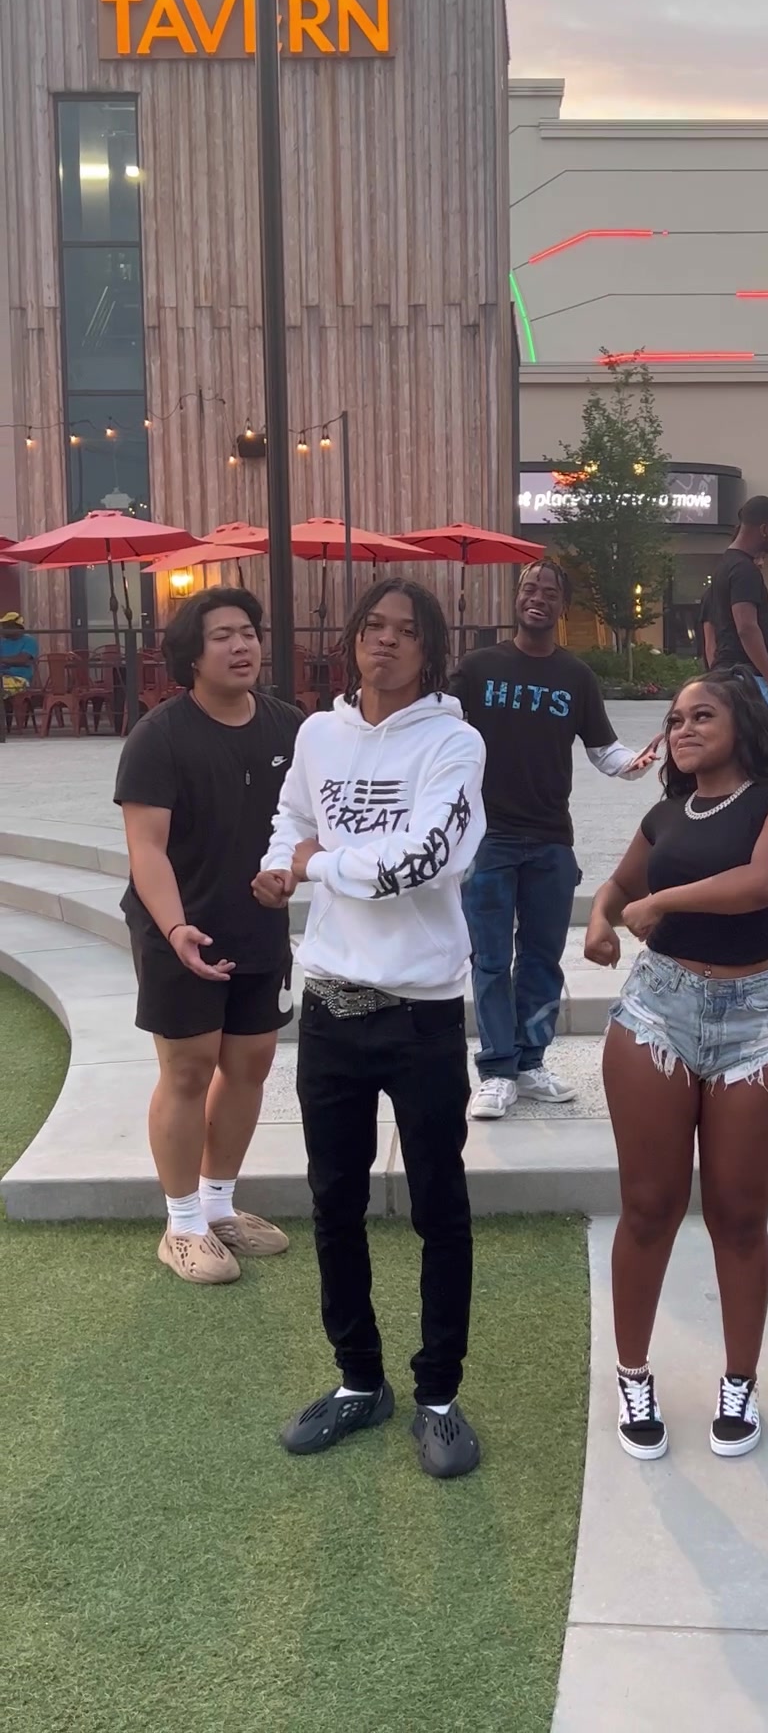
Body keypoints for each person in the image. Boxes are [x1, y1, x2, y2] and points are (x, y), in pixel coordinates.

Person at [260, 580, 487, 1478]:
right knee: (333, 1203)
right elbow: (292, 818)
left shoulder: (454, 743)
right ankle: (360, 1380)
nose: (385, 643)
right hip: (331, 1010)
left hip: (420, 1012)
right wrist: (281, 863)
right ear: (353, 638)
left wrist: (318, 863)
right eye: (372, 628)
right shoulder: (319, 734)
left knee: (439, 1206)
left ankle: (438, 1396)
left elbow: (426, 859)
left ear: (431, 649)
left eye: (406, 632)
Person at [585, 669, 768, 1461]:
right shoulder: (666, 814)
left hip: (755, 1021)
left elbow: (763, 883)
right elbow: (619, 885)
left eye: (701, 715)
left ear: (743, 722)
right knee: (649, 1206)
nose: (682, 728)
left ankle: (739, 1381)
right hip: (659, 1012)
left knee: (739, 1216)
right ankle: (633, 1375)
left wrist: (663, 903)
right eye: (676, 718)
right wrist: (601, 918)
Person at [114, 587, 300, 1283]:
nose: (241, 645)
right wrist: (174, 928)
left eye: (248, 632)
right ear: (192, 654)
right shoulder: (159, 736)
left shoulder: (289, 726)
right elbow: (146, 849)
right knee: (189, 1069)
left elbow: (308, 823)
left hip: (257, 922)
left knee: (250, 1065)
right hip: (179, 925)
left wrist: (292, 872)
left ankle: (219, 1206)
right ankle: (183, 1223)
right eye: (222, 635)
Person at [450, 557, 656, 1122]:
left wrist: (634, 764)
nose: (537, 597)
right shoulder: (478, 667)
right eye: (529, 588)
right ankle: (496, 1070)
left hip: (550, 842)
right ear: (517, 597)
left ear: (563, 606)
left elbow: (603, 750)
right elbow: (439, 728)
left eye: (548, 591)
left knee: (542, 959)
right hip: (488, 840)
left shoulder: (575, 676)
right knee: (491, 960)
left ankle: (531, 1062)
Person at [700, 495, 768, 706]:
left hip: (727, 675)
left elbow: (712, 630)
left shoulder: (724, 566)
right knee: (757, 729)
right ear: (764, 529)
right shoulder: (744, 570)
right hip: (747, 679)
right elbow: (746, 627)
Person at [1, 609, 39, 692]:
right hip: (2, 677)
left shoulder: (29, 640)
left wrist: (2, 660)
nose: (2, 629)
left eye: (6, 626)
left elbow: (22, 659)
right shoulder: (2, 642)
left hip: (20, 679)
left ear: (16, 627)